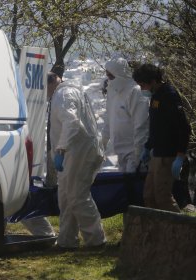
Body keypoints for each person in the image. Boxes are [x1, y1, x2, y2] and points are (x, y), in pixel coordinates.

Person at [47, 72, 106, 249]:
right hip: (77, 151)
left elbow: (71, 122)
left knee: (77, 196)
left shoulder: (64, 95)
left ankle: (96, 239)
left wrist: (61, 148)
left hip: (77, 152)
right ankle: (67, 240)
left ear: (51, 83)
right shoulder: (70, 92)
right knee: (66, 196)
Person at [132, 64, 191, 213]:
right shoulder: (155, 96)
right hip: (156, 153)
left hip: (168, 155)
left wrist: (180, 156)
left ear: (152, 81)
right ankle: (156, 231)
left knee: (162, 197)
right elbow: (156, 126)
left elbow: (183, 127)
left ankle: (179, 230)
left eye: (143, 84)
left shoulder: (169, 95)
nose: (142, 88)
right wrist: (148, 146)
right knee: (149, 196)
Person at [102, 57, 149, 173]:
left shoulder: (135, 92)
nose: (109, 79)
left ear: (119, 74)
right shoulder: (113, 91)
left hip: (134, 151)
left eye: (111, 76)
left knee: (134, 187)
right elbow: (109, 118)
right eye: (107, 76)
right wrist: (102, 142)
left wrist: (139, 153)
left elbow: (141, 125)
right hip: (119, 151)